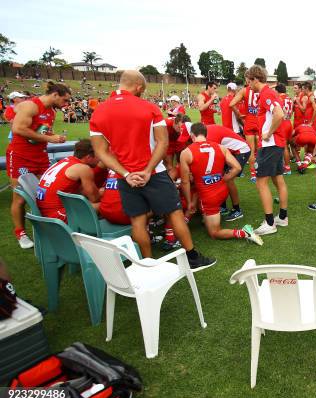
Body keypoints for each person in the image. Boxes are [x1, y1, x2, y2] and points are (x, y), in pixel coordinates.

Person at [90, 70, 215, 270]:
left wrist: (125, 174)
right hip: (153, 172)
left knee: (137, 221)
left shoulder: (99, 111)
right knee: (174, 213)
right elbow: (162, 142)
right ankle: (192, 257)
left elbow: (100, 151)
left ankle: (147, 264)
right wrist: (148, 170)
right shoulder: (148, 107)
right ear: (138, 86)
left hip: (126, 177)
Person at [7, 81, 70, 249]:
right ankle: (20, 233)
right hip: (21, 155)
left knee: (46, 193)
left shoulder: (51, 112)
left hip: (40, 156)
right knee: (20, 197)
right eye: (64, 100)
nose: (66, 104)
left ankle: (47, 228)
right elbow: (18, 129)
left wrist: (54, 136)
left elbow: (41, 132)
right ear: (55, 94)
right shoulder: (30, 105)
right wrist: (50, 139)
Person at [179, 123, 263, 246]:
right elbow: (237, 167)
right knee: (205, 209)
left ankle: (243, 232)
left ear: (192, 135)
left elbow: (185, 182)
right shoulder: (220, 147)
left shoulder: (186, 152)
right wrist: (224, 179)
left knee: (214, 233)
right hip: (222, 191)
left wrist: (189, 202)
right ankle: (214, 212)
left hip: (209, 197)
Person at [244, 65, 289, 236]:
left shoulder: (266, 94)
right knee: (278, 180)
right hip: (276, 144)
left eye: (248, 81)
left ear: (255, 79)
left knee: (261, 182)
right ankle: (282, 217)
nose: (248, 85)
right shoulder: (269, 93)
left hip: (270, 144)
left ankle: (270, 222)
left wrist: (268, 133)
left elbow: (279, 114)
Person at [36, 139, 101, 221]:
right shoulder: (83, 169)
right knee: (107, 205)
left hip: (45, 211)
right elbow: (94, 199)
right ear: (88, 157)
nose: (100, 159)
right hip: (56, 216)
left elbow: (80, 191)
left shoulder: (66, 160)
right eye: (99, 156)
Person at [197, 124, 251, 221]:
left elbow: (212, 157)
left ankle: (237, 210)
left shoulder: (210, 137)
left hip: (241, 150)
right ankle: (223, 206)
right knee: (220, 175)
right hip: (231, 151)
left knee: (228, 179)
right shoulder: (205, 132)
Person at [230, 79, 259, 182]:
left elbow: (231, 104)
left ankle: (253, 174)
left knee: (251, 150)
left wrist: (238, 114)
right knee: (261, 149)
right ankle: (261, 171)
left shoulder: (244, 90)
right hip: (260, 121)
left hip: (249, 122)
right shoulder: (262, 89)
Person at [275, 84, 295, 175]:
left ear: (277, 91)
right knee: (287, 144)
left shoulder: (279, 99)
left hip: (282, 123)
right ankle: (289, 163)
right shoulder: (289, 99)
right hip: (288, 123)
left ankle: (287, 168)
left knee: (284, 146)